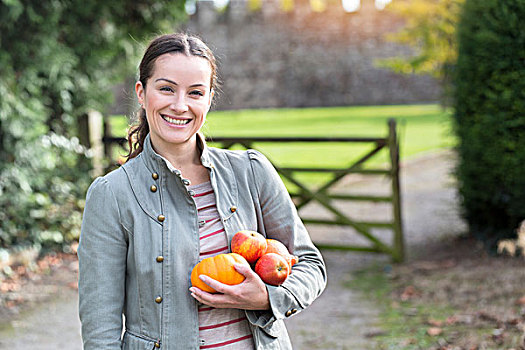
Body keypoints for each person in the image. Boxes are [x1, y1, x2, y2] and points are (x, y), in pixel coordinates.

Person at [78, 33, 327, 350]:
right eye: (166, 88)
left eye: (195, 93)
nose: (180, 105)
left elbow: (310, 265)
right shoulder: (111, 194)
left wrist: (267, 297)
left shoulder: (251, 171)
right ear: (142, 93)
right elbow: (101, 331)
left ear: (209, 99)